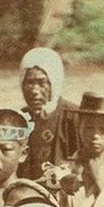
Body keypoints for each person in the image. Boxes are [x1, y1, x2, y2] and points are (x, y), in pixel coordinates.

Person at [17, 46, 82, 182]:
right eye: (29, 82)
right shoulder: (18, 118)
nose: (34, 90)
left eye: (42, 83)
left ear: (54, 82)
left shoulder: (74, 117)